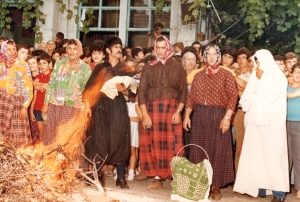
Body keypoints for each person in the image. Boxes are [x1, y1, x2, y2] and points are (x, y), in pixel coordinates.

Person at [183, 44, 238, 201]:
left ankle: (215, 186)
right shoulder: (199, 75)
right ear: (205, 56)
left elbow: (233, 97)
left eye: (215, 54)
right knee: (199, 151)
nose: (212, 57)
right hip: (200, 115)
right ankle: (200, 185)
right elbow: (191, 98)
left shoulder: (226, 75)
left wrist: (227, 118)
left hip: (219, 116)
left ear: (219, 56)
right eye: (209, 54)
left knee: (218, 151)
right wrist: (187, 116)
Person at [234, 49, 289, 202]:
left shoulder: (278, 78)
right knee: (258, 156)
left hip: (272, 126)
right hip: (256, 124)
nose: (256, 65)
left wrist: (262, 79)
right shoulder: (256, 76)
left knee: (273, 156)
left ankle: (279, 192)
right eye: (255, 62)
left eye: (258, 61)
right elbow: (247, 98)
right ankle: (261, 187)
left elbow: (272, 97)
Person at [138, 35, 187, 190]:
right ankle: (157, 177)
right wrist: (145, 114)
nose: (160, 51)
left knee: (174, 144)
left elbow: (183, 91)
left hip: (171, 109)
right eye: (157, 47)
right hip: (152, 111)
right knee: (154, 143)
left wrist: (178, 111)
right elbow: (142, 92)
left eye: (163, 47)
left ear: (168, 47)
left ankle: (176, 177)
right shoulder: (149, 66)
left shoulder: (177, 66)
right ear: (154, 48)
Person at [83, 60, 134, 188]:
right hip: (100, 108)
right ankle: (96, 176)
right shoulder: (101, 67)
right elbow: (89, 89)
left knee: (120, 140)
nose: (117, 49)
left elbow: (131, 93)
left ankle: (121, 178)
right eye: (115, 47)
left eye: (119, 47)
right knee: (99, 141)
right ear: (109, 50)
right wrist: (87, 107)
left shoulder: (122, 68)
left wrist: (124, 91)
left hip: (117, 108)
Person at [41, 39, 92, 146]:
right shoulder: (59, 64)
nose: (72, 52)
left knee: (70, 138)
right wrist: (46, 103)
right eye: (69, 48)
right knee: (52, 135)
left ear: (79, 50)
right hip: (56, 105)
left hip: (74, 107)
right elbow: (51, 84)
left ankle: (69, 162)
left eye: (75, 49)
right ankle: (51, 160)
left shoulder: (86, 68)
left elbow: (88, 92)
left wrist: (87, 107)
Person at [0, 40, 33, 148]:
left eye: (13, 49)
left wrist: (25, 106)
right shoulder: (1, 64)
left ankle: (18, 161)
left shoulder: (23, 65)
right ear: (3, 50)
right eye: (8, 49)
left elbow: (29, 87)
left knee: (18, 137)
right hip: (2, 104)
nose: (11, 52)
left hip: (18, 104)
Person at [233, 47, 251, 173]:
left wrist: (239, 89)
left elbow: (246, 91)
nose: (241, 60)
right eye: (238, 58)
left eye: (243, 58)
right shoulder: (236, 73)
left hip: (249, 111)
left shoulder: (252, 74)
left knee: (249, 143)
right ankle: (237, 173)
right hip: (237, 111)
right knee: (238, 143)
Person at [30, 53, 52, 142]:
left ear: (49, 64)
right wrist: (31, 111)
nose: (41, 66)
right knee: (41, 135)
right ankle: (41, 154)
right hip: (38, 109)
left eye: (44, 63)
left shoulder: (53, 76)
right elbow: (34, 97)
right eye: (40, 64)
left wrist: (45, 85)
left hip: (49, 108)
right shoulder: (37, 77)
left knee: (51, 134)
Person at [286, 63, 300, 199]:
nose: (298, 74)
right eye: (296, 71)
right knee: (286, 157)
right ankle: (283, 185)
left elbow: (289, 96)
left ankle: (299, 188)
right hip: (285, 124)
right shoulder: (286, 86)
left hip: (298, 125)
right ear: (292, 73)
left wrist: (283, 95)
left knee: (298, 158)